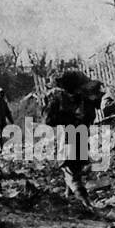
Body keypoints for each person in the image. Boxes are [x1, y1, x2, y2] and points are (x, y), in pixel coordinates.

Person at [45, 73, 100, 207]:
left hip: (68, 139)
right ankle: (69, 196)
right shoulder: (85, 100)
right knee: (74, 170)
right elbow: (91, 117)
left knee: (71, 174)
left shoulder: (59, 99)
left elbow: (48, 120)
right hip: (82, 137)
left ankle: (86, 202)